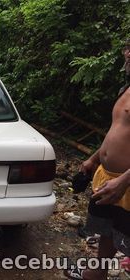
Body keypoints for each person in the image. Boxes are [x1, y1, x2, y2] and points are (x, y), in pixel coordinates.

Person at [65, 40, 130, 280]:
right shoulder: (126, 90)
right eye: (128, 47)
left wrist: (124, 181)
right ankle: (98, 272)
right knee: (109, 229)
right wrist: (94, 159)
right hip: (110, 178)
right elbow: (116, 131)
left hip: (125, 182)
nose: (128, 53)